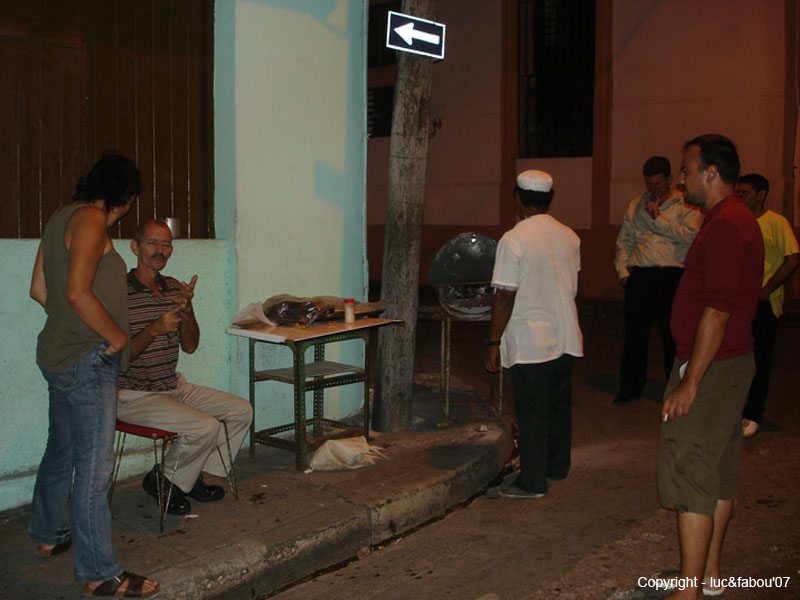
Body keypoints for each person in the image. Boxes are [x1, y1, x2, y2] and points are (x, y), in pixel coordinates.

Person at [28, 153, 159, 597]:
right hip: (87, 360)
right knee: (95, 470)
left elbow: (39, 290)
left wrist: (69, 321)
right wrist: (117, 339)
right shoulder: (89, 220)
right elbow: (77, 293)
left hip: (60, 356)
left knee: (61, 449)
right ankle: (100, 572)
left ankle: (50, 533)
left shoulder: (59, 217)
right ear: (126, 196)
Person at [658, 135, 763, 600]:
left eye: (686, 169)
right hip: (732, 362)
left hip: (713, 368)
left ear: (710, 173)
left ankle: (688, 592)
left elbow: (717, 310)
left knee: (692, 474)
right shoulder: (736, 218)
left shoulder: (725, 226)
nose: (681, 179)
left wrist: (689, 383)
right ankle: (710, 577)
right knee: (719, 474)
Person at [117, 220, 253, 515]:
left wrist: (187, 308)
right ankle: (165, 480)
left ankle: (184, 479)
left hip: (172, 386)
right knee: (206, 427)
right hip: (132, 394)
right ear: (135, 247)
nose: (160, 250)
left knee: (241, 410)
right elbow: (118, 357)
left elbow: (190, 346)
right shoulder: (119, 293)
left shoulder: (174, 288)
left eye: (166, 244)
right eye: (152, 243)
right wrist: (155, 328)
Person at [484, 170, 583, 499]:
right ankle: (558, 466)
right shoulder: (570, 236)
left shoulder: (514, 239)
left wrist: (494, 341)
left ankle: (533, 482)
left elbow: (505, 295)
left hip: (531, 343)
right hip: (567, 336)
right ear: (549, 198)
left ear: (517, 198)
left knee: (532, 413)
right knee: (557, 408)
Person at [614, 156, 702, 405]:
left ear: (670, 179)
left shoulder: (686, 205)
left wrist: (658, 219)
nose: (653, 189)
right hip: (641, 276)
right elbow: (625, 241)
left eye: (658, 184)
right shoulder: (635, 205)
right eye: (649, 184)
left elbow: (690, 237)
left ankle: (674, 388)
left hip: (672, 276)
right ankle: (629, 389)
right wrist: (624, 274)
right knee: (634, 337)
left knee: (673, 337)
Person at [736, 174, 799, 438]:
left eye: (745, 193)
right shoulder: (738, 221)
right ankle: (732, 409)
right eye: (738, 192)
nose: (740, 197)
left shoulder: (776, 223)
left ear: (761, 195)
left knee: (760, 360)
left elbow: (793, 258)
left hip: (762, 303)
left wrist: (767, 290)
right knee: (734, 358)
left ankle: (753, 414)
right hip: (737, 300)